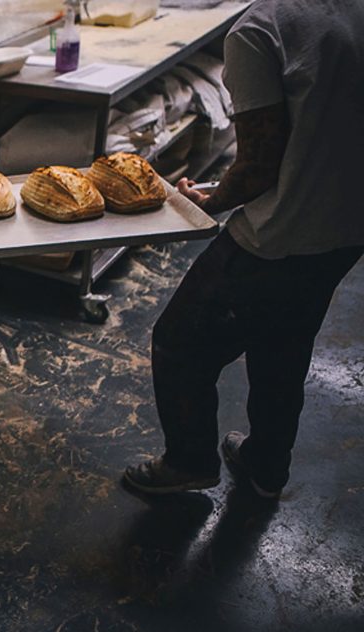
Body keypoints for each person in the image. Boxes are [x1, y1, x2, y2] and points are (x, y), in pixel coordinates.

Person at [123, 0, 364, 499]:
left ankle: (189, 462)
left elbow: (257, 166)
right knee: (285, 342)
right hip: (346, 226)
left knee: (179, 342)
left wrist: (211, 200)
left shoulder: (260, 29)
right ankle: (266, 466)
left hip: (281, 232)